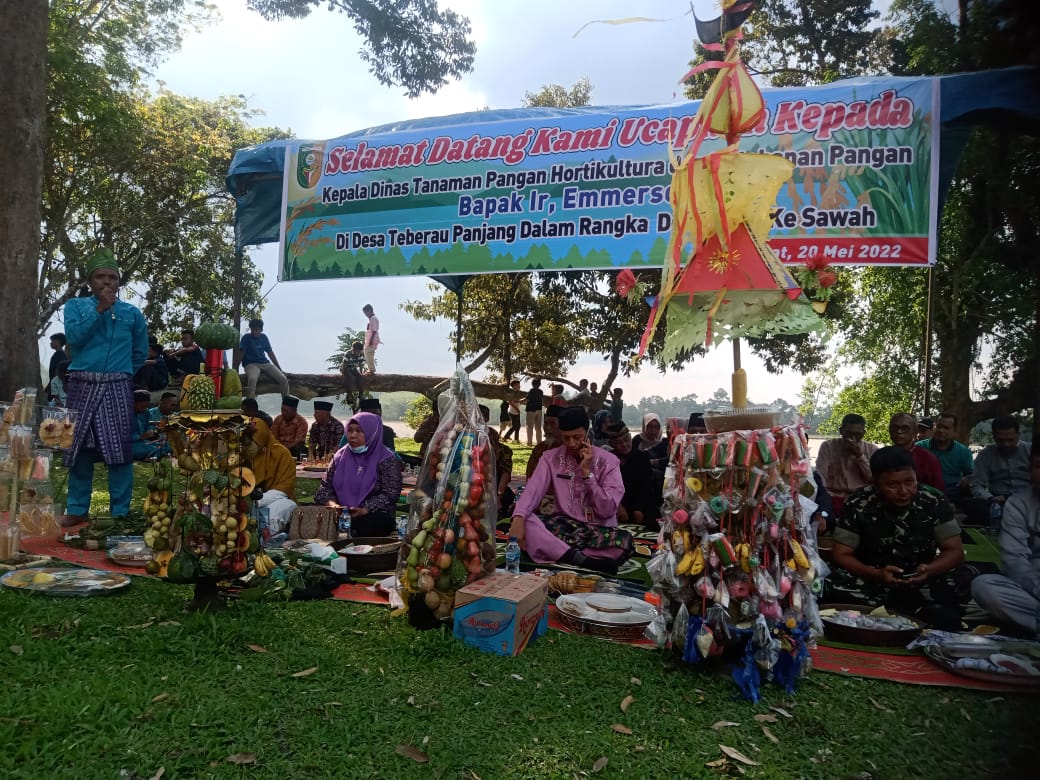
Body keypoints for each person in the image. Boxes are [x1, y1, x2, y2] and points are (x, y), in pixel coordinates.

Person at [831, 446, 967, 631]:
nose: (904, 491)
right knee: (831, 582)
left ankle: (917, 608)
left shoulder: (933, 499)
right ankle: (908, 609)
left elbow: (954, 550)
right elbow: (841, 554)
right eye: (892, 485)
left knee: (963, 578)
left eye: (910, 482)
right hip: (873, 578)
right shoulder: (858, 503)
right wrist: (876, 574)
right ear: (876, 483)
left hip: (922, 577)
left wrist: (929, 570)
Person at [61, 248, 149, 525]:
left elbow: (139, 352)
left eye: (113, 277)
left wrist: (121, 375)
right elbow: (74, 338)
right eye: (101, 277)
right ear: (91, 281)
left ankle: (120, 512)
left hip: (117, 387)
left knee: (120, 451)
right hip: (81, 385)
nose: (107, 282)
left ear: (119, 282)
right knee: (79, 449)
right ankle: (76, 509)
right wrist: (100, 309)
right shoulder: (76, 307)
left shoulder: (132, 314)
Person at [509, 407, 634, 574]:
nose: (571, 444)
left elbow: (608, 509)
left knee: (624, 541)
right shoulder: (550, 458)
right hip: (563, 527)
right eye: (566, 438)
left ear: (587, 432)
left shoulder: (609, 461)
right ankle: (581, 559)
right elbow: (532, 491)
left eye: (577, 437)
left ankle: (556, 551)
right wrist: (518, 519)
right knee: (523, 519)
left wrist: (587, 474)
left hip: (597, 530)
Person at [971, 444, 1040, 635]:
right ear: (1030, 470)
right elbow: (1015, 561)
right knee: (984, 586)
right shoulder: (1018, 504)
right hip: (1032, 585)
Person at [314, 412, 402, 537]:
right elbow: (324, 488)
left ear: (372, 433)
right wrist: (333, 505)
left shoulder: (386, 458)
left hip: (370, 514)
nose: (353, 436)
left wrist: (364, 509)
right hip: (340, 513)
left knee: (374, 524)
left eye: (359, 431)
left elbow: (391, 493)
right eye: (350, 431)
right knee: (309, 513)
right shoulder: (340, 456)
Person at [967, 415, 1032, 528]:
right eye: (1001, 440)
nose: (1006, 444)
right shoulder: (985, 455)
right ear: (994, 436)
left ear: (1018, 434)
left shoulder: (1031, 451)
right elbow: (976, 485)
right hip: (998, 501)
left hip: (1029, 500)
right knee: (969, 504)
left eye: (1010, 440)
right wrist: (990, 497)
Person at [815, 413, 878, 514]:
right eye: (848, 433)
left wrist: (860, 456)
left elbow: (873, 478)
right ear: (841, 431)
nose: (853, 438)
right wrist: (823, 498)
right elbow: (821, 475)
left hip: (860, 499)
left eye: (858, 434)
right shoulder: (828, 446)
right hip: (831, 496)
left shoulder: (872, 450)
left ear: (864, 433)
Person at [249, 418, 299, 537]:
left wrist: (256, 502)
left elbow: (284, 488)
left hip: (270, 501)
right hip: (244, 503)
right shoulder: (240, 453)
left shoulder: (281, 453)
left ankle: (260, 534)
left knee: (287, 505)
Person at [606, 422, 657, 529]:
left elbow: (646, 486)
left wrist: (638, 508)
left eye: (626, 439)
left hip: (641, 508)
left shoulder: (641, 457)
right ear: (611, 444)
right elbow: (606, 487)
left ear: (630, 437)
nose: (624, 445)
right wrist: (617, 506)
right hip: (616, 509)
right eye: (619, 443)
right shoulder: (608, 459)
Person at [916, 412, 973, 501]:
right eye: (939, 426)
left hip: (954, 492)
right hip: (925, 492)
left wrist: (967, 479)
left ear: (954, 430)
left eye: (946, 428)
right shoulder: (918, 447)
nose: (941, 430)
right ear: (934, 427)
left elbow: (971, 474)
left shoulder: (963, 452)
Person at [888, 412, 944, 494]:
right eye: (895, 427)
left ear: (915, 431)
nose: (899, 431)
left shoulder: (927, 458)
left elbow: (938, 491)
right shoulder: (883, 455)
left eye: (905, 428)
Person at [236, 318, 289, 399]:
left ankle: (286, 403)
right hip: (251, 364)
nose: (254, 332)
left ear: (261, 329)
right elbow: (241, 354)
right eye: (252, 329)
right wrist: (235, 369)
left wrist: (279, 369)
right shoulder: (246, 338)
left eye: (257, 329)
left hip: (265, 363)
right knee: (252, 379)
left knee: (283, 379)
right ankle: (250, 403)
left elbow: (270, 353)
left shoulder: (264, 337)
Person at [479, 404, 515, 517]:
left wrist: (498, 496)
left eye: (480, 417)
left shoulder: (503, 451)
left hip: (493, 485)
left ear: (486, 419)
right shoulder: (466, 441)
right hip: (471, 484)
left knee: (507, 496)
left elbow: (505, 472)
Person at [633, 412, 669, 511]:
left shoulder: (664, 443)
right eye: (650, 426)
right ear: (644, 426)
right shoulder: (637, 441)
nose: (653, 430)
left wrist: (649, 462)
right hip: (639, 482)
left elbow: (668, 462)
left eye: (656, 427)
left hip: (659, 485)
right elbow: (633, 460)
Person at [527, 406, 562, 480]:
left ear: (561, 426)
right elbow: (530, 477)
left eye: (552, 424)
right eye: (546, 424)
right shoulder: (539, 449)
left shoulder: (569, 449)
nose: (548, 428)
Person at [131, 390, 165, 460]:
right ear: (133, 403)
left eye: (146, 406)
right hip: (131, 444)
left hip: (144, 443)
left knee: (167, 445)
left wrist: (154, 431)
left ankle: (153, 453)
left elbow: (148, 427)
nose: (145, 409)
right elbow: (120, 437)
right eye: (142, 406)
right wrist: (139, 437)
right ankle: (154, 453)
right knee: (133, 450)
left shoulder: (146, 412)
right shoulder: (123, 416)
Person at [339, 340, 367, 406]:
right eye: (358, 350)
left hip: (353, 368)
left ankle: (361, 394)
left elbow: (361, 364)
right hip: (345, 368)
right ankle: (349, 393)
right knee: (351, 378)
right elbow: (344, 365)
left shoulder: (360, 354)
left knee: (360, 378)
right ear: (354, 349)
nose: (359, 352)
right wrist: (346, 374)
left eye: (360, 351)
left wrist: (361, 372)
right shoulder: (347, 353)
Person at [47, 333, 69, 402]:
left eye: (52, 341)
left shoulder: (59, 355)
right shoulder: (59, 354)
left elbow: (57, 373)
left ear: (58, 341)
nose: (50, 343)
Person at [524, 378, 544, 446]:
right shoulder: (541, 391)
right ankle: (539, 442)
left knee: (529, 427)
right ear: (539, 384)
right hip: (539, 410)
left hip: (531, 410)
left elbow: (527, 399)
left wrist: (519, 401)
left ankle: (529, 442)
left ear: (532, 384)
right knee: (538, 428)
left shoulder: (531, 391)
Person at [362, 303, 380, 373]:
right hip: (370, 339)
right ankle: (371, 369)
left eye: (365, 313)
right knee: (369, 353)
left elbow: (374, 331)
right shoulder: (371, 319)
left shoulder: (373, 318)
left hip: (372, 339)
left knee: (367, 353)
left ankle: (371, 369)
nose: (365, 315)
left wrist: (370, 341)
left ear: (369, 311)